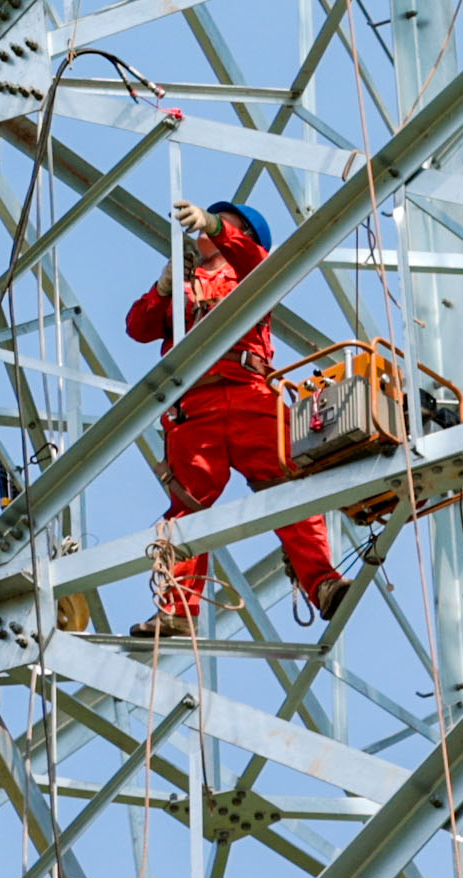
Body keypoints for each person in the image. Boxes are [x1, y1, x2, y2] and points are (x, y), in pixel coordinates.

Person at [123, 198, 342, 630]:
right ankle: (178, 610)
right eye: (210, 222)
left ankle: (323, 584)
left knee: (289, 489)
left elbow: (254, 258)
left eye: (225, 224)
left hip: (249, 394)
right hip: (194, 408)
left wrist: (215, 226)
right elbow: (139, 328)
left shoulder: (253, 272)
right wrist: (164, 288)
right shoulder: (185, 288)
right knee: (187, 509)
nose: (208, 228)